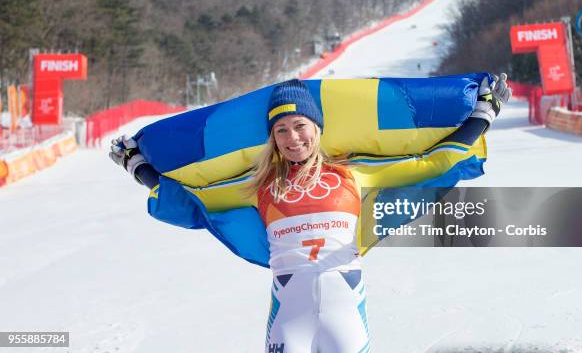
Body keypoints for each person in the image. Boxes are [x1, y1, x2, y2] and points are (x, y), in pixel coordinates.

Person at [110, 74, 511, 352]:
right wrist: (136, 165)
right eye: (280, 130)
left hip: (345, 305)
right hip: (290, 311)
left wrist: (484, 113)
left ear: (317, 128)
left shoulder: (355, 174)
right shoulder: (258, 186)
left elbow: (433, 163)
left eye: (299, 125)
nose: (292, 137)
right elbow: (191, 201)